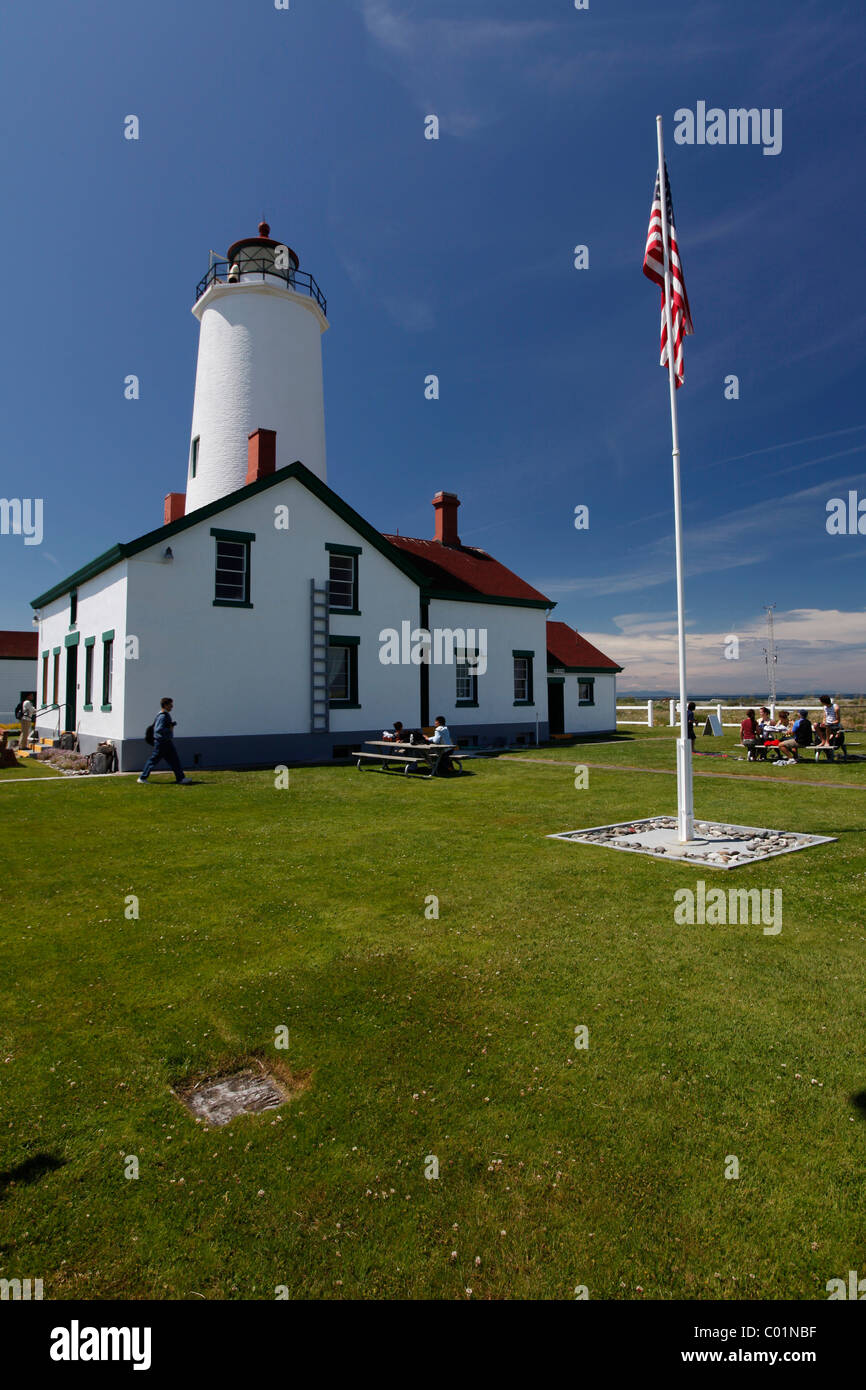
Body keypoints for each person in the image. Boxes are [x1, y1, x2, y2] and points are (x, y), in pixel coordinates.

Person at [138, 698, 192, 784]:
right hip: (162, 742)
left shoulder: (164, 715)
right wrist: (169, 728)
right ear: (165, 705)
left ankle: (181, 778)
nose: (172, 706)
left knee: (174, 760)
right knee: (153, 760)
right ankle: (142, 777)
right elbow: (158, 729)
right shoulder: (162, 716)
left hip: (166, 742)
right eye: (170, 704)